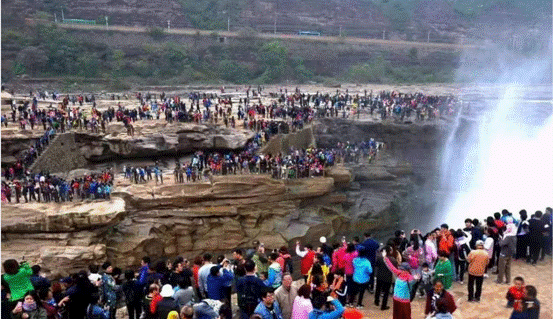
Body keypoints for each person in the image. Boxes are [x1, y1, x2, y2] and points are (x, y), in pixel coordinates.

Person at [382, 251, 416, 319]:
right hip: (397, 300)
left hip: (404, 301)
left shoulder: (409, 278)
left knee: (405, 316)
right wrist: (385, 258)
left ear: (406, 270)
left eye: (402, 269)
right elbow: (390, 266)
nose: (400, 269)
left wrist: (416, 278)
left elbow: (413, 281)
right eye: (400, 268)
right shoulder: (399, 273)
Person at [374, 245, 395, 311]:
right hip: (388, 278)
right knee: (386, 292)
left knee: (378, 289)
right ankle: (383, 305)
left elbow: (376, 265)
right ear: (390, 251)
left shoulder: (380, 258)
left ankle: (376, 301)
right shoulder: (393, 260)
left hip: (379, 276)